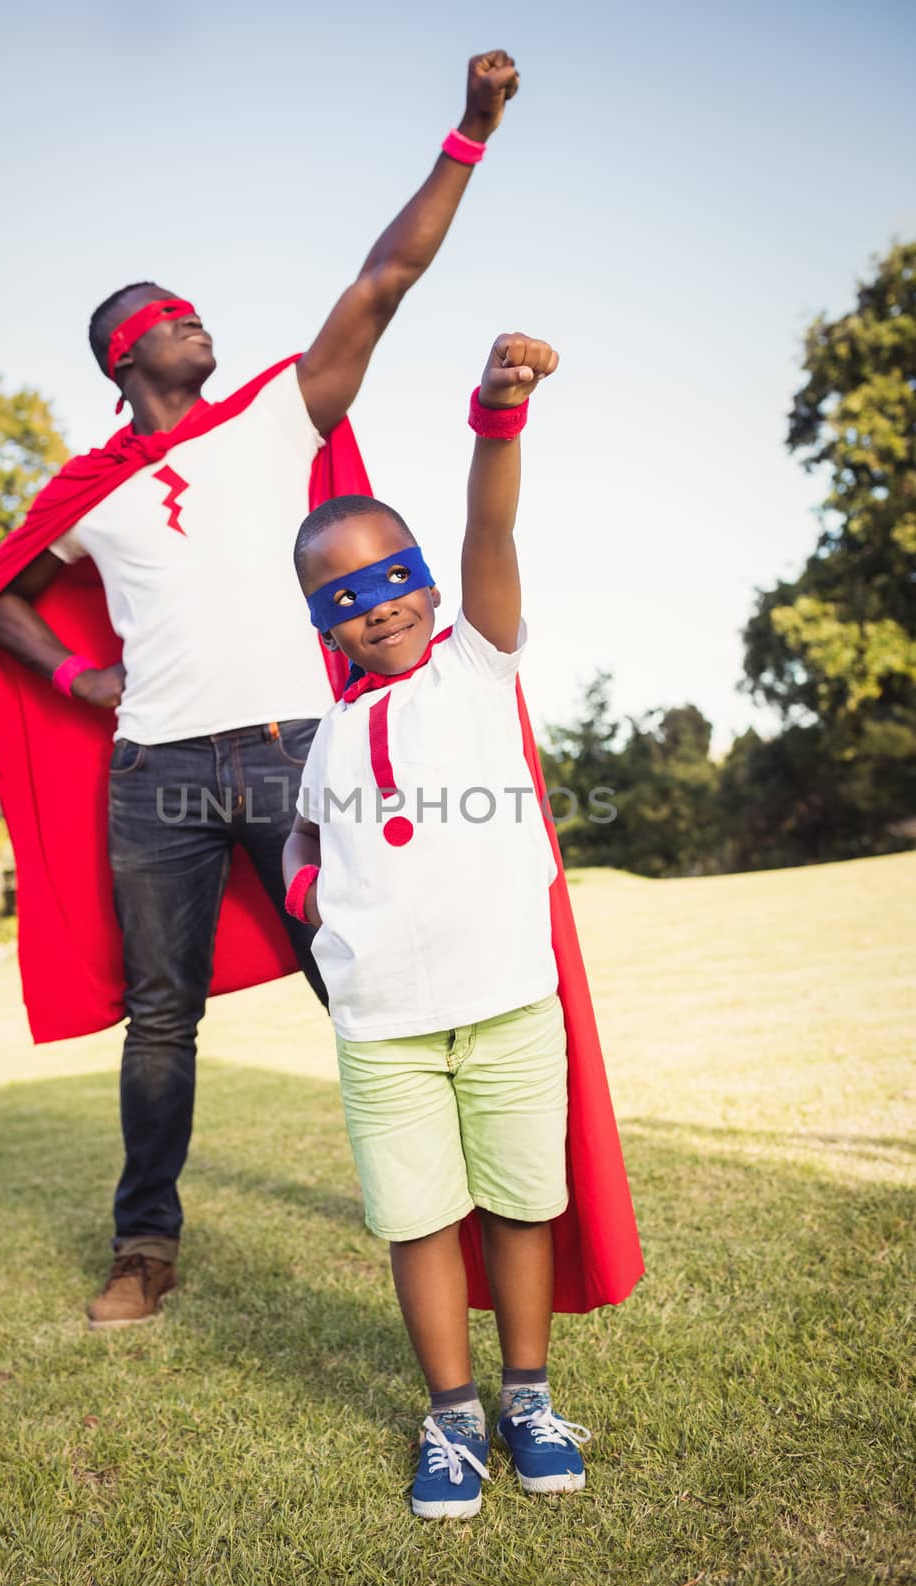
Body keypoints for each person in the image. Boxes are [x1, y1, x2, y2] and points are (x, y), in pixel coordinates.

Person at [0, 52, 521, 1331]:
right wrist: (76, 671)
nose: (197, 319)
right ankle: (144, 1247)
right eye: (172, 314)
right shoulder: (86, 490)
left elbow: (383, 283)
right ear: (126, 349)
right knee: (158, 1016)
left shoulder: (277, 409)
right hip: (154, 769)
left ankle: (473, 1212)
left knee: (365, 972)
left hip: (294, 749)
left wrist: (466, 136)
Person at [283, 332, 640, 1518]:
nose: (373, 603)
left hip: (502, 1003)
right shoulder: (325, 735)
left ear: (429, 580)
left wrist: (495, 417)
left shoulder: (475, 667)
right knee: (415, 1215)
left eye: (390, 576)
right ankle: (450, 1420)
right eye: (342, 595)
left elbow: (494, 530)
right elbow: (306, 846)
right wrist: (309, 905)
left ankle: (526, 1398)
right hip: (383, 1026)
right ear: (320, 624)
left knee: (521, 1203)